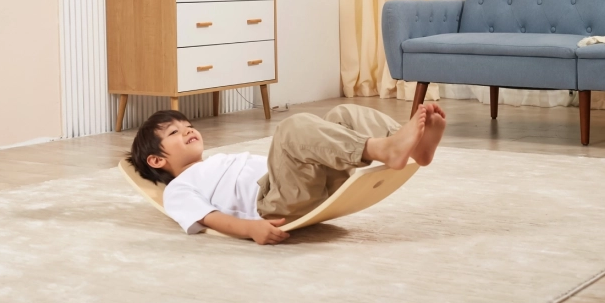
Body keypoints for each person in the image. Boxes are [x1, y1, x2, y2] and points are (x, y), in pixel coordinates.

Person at [127, 104, 446, 245]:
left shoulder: (216, 160)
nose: (188, 131)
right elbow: (208, 218)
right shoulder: (178, 188)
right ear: (156, 160)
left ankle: (411, 146)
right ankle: (385, 149)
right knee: (291, 128)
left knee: (341, 115)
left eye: (188, 126)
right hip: (275, 202)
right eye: (175, 132)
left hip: (303, 182)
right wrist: (249, 229)